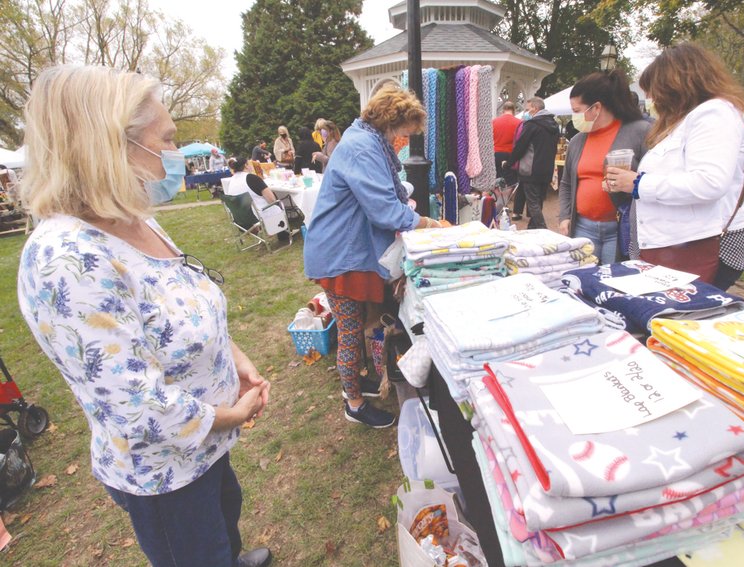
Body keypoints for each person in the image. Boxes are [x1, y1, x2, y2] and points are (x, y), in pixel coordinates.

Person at [16, 65, 272, 567]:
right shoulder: (66, 260)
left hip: (205, 450)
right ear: (111, 145)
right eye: (168, 140)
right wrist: (228, 416)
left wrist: (234, 359)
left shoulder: (132, 220)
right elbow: (136, 403)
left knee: (224, 523)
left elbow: (188, 300)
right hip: (165, 472)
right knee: (196, 553)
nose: (177, 155)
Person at [303, 84, 443, 429]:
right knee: (350, 332)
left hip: (347, 250)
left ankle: (355, 383)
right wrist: (428, 223)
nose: (404, 141)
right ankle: (353, 403)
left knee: (356, 325)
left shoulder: (365, 140)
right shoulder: (363, 147)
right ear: (390, 122)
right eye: (404, 133)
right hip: (341, 256)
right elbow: (383, 209)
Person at [605, 43, 744, 287]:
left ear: (676, 86)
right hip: (676, 245)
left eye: (654, 91)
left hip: (698, 246)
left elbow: (709, 183)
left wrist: (638, 183)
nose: (651, 99)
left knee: (681, 317)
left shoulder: (716, 114)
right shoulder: (690, 118)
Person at [558, 69, 650, 265]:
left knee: (614, 282)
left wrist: (632, 181)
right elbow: (566, 183)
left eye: (576, 111)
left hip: (619, 229)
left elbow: (654, 179)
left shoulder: (639, 132)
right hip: (583, 226)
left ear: (596, 108)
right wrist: (565, 216)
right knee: (582, 280)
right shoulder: (577, 140)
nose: (575, 117)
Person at [503, 97, 558, 229]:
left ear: (535, 108)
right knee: (538, 201)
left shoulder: (531, 125)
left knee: (533, 202)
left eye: (528, 109)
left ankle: (542, 228)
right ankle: (533, 229)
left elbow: (520, 147)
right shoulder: (554, 125)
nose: (526, 112)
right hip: (547, 169)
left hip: (531, 169)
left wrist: (509, 163)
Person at [492, 101, 521, 187]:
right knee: (511, 180)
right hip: (511, 154)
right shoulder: (519, 123)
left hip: (496, 153)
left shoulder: (494, 122)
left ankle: (497, 197)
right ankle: (509, 198)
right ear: (513, 110)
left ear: (503, 110)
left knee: (497, 178)